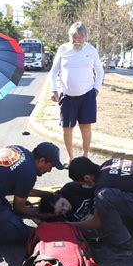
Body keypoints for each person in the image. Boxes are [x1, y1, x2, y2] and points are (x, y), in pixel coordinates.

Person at [64, 157, 133, 257]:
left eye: (82, 183)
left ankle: (122, 246)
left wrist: (70, 225)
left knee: (104, 198)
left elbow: (96, 222)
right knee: (109, 201)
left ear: (87, 178)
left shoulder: (103, 186)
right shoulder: (109, 164)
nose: (84, 186)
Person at [50, 22, 104, 168]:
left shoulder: (91, 50)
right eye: (74, 37)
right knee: (67, 129)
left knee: (86, 128)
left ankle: (85, 157)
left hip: (87, 96)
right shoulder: (63, 49)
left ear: (85, 37)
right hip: (67, 96)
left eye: (80, 37)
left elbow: (100, 71)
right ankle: (71, 158)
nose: (77, 40)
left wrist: (96, 89)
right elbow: (54, 71)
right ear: (70, 36)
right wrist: (53, 89)